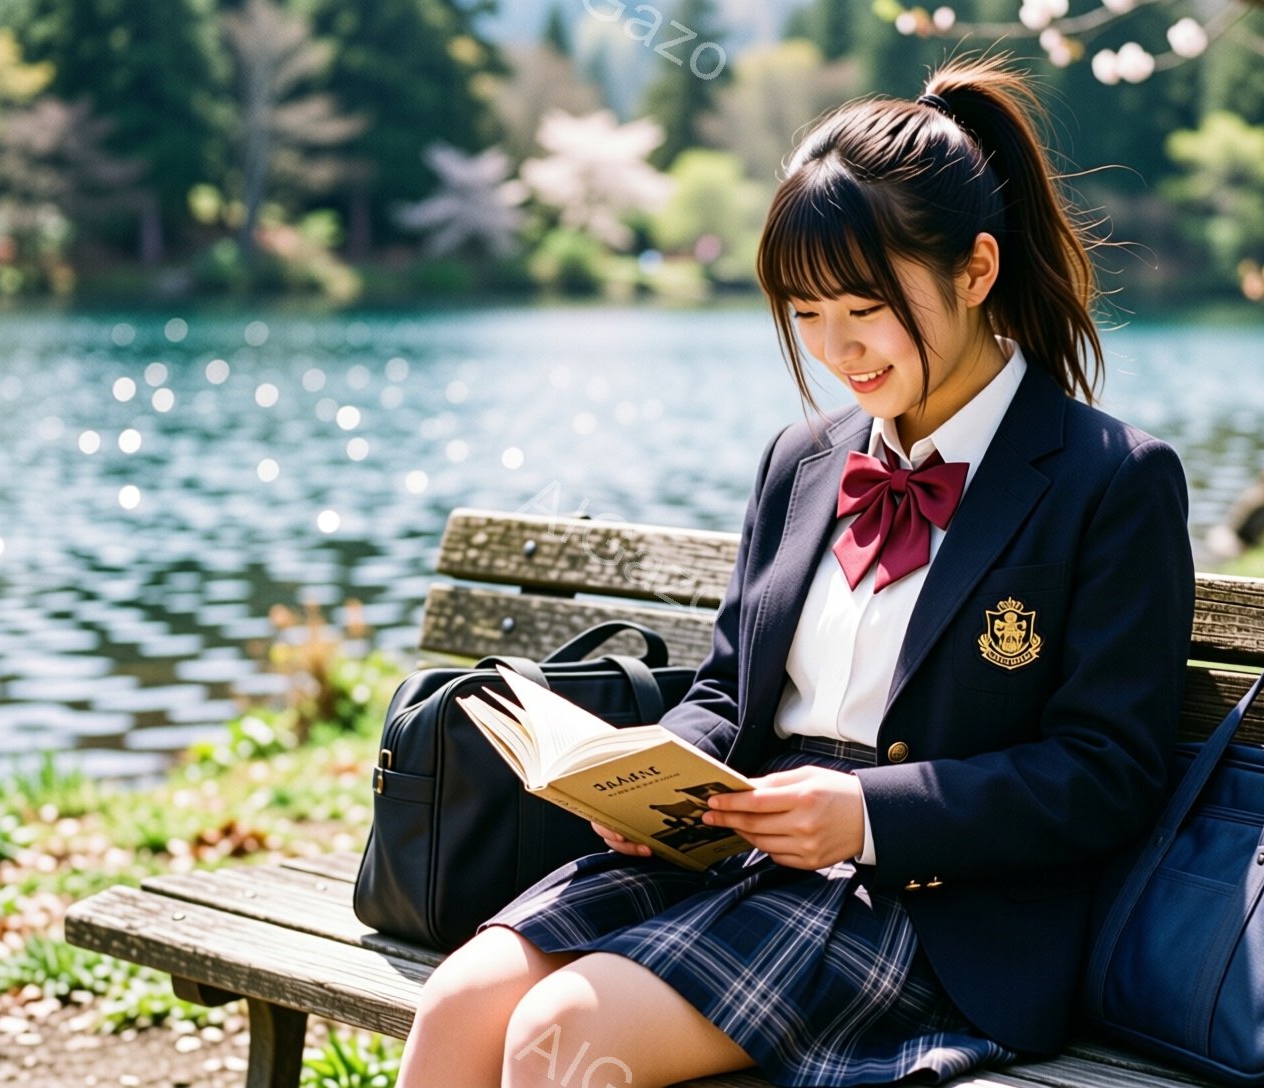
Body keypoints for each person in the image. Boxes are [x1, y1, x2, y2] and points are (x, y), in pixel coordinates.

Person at [395, 49, 1195, 1088]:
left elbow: (1108, 769)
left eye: (863, 308)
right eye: (806, 313)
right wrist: (645, 776)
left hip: (927, 907)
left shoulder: (1109, 479)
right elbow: (731, 690)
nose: (836, 348)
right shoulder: (803, 460)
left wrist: (867, 814)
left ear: (977, 269)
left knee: (560, 1036)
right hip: (737, 849)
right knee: (461, 1004)